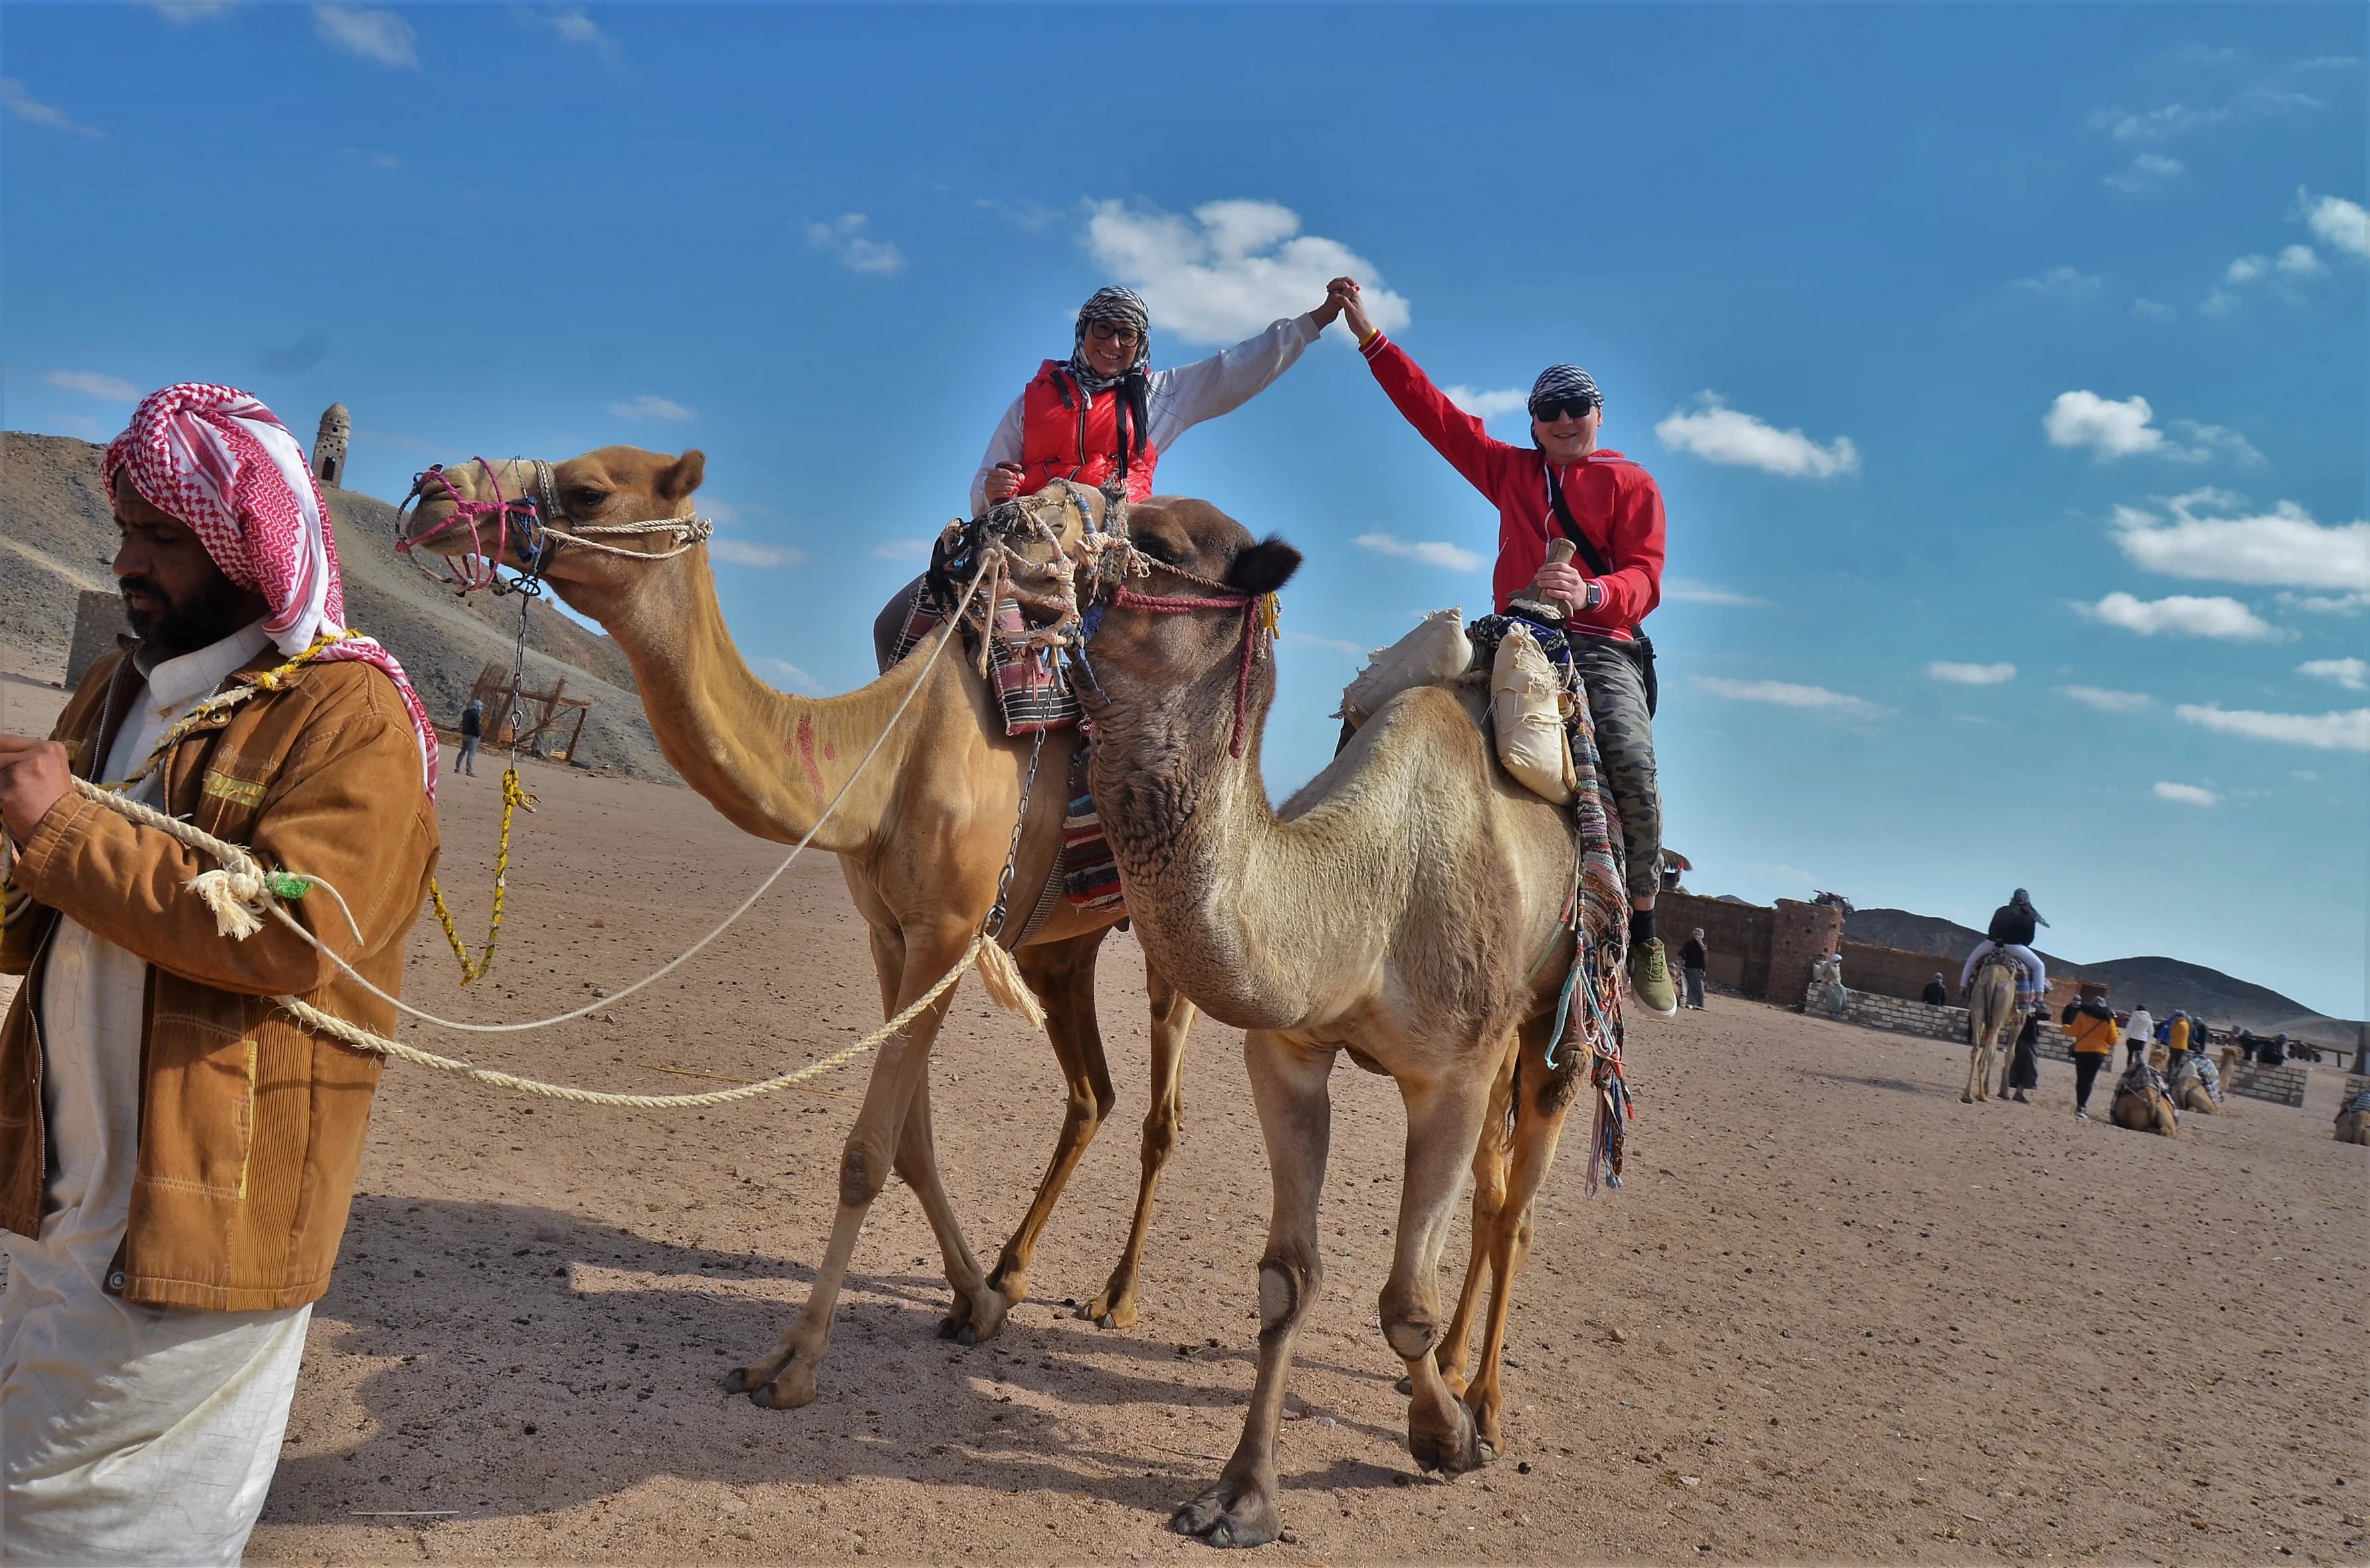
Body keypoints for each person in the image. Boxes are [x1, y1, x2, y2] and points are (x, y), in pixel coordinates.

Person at [0, 383, 441, 1564]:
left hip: (198, 1221)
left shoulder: (350, 717)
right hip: (50, 1192)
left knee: (89, 1533)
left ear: (246, 546)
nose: (126, 562)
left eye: (161, 537)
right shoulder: (120, 688)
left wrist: (58, 830)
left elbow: (297, 937)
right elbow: (43, 922)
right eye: (125, 531)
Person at [1336, 284, 1675, 1015]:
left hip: (1599, 644)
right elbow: (1434, 414)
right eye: (1547, 411)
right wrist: (1368, 336)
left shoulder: (1631, 484)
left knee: (1631, 764)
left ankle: (1645, 927)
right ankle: (1335, 855)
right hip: (1514, 631)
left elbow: (1646, 579)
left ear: (1598, 413)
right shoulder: (1511, 471)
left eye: (1574, 407)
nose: (1562, 420)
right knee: (1381, 695)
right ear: (1533, 423)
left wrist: (1589, 592)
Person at [871, 280, 1351, 670]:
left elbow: (1234, 371)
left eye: (1128, 335)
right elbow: (986, 480)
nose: (1113, 344)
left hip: (1109, 547)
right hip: (1030, 536)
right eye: (1103, 328)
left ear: (1141, 344)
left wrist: (1316, 320)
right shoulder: (1031, 402)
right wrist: (992, 491)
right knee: (893, 623)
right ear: (1084, 331)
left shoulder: (1157, 396)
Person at [1959, 888, 2047, 1001]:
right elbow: (2029, 938)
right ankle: (2039, 1000)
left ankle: (1963, 988)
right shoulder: (2029, 915)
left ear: (2013, 899)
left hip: (1992, 943)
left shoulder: (2001, 910)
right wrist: (2021, 946)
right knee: (2039, 967)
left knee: (1971, 961)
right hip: (2014, 947)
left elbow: (1991, 929)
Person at [2066, 991, 2119, 1121]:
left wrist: (2065, 1027)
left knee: (2081, 1079)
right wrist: (2116, 1034)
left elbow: (2073, 1031)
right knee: (2089, 1080)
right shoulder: (2109, 1020)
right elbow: (2113, 1041)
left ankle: (2079, 1105)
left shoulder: (2082, 1015)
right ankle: (2082, 1108)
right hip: (2098, 1054)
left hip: (2082, 1051)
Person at [2006, 1008, 2042, 1102]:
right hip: (2028, 1038)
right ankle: (2017, 1092)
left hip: (2019, 1037)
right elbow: (2046, 1014)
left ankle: (2015, 1092)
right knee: (2030, 1068)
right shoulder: (2033, 1004)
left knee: (2019, 1066)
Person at [1678, 928, 1708, 1009]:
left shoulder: (1689, 943)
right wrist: (1704, 970)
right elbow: (1704, 959)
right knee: (1699, 986)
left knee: (1691, 986)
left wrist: (1686, 959)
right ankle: (1700, 1004)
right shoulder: (1703, 945)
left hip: (1689, 967)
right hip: (1698, 969)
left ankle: (1691, 1002)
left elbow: (1680, 953)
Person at [456, 696, 484, 777]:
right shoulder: (476, 714)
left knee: (462, 752)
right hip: (473, 736)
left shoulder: (466, 713)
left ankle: (457, 768)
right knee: (471, 754)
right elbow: (476, 726)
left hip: (465, 734)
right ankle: (469, 771)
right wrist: (479, 734)